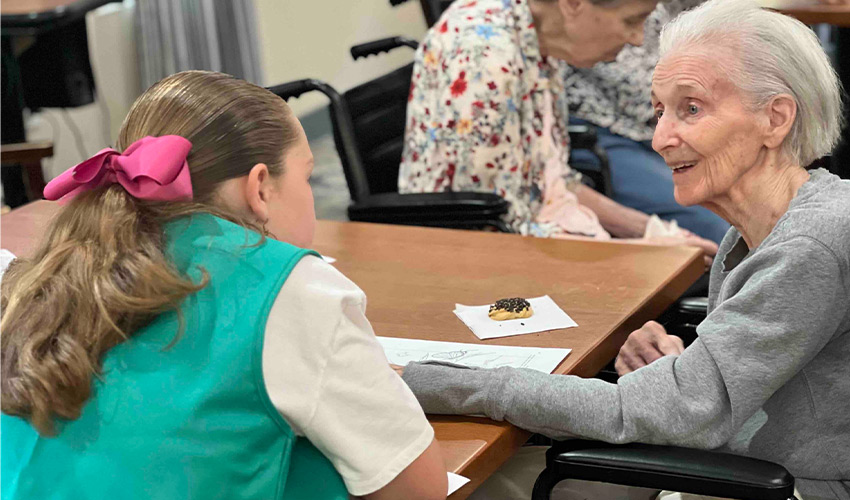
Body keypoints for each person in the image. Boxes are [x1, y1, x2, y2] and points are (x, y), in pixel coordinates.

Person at [397, 1, 850, 499]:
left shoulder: (808, 244)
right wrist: (686, 367)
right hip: (741, 457)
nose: (659, 138)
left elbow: (679, 414)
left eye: (690, 109)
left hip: (789, 485)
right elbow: (740, 388)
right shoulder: (770, 223)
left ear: (775, 118)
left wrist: (435, 382)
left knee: (462, 486)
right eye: (659, 112)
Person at [0, 71, 447, 500]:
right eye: (306, 176)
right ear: (260, 188)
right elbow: (420, 487)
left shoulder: (42, 274)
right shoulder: (290, 288)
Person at [399, 0, 718, 262]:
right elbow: (489, 229)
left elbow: (551, 184)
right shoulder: (484, 57)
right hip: (476, 258)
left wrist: (653, 231)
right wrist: (637, 253)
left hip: (530, 238)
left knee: (697, 245)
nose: (637, 38)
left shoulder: (537, 39)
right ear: (573, 4)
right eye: (631, 21)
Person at [564, 0, 731, 244]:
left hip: (663, 124)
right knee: (720, 225)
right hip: (606, 132)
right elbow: (638, 93)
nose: (637, 38)